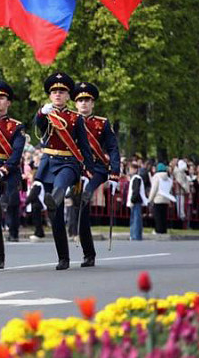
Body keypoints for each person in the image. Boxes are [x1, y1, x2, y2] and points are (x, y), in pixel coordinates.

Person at [28, 72, 93, 271]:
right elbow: (38, 127)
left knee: (59, 188)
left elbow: (84, 146)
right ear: (49, 96)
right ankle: (63, 257)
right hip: (49, 162)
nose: (57, 94)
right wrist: (41, 113)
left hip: (68, 162)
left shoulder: (76, 118)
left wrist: (88, 171)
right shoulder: (46, 114)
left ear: (68, 96)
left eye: (62, 91)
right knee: (54, 213)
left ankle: (88, 253)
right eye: (54, 91)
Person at [72, 81, 120, 268]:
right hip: (77, 168)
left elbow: (113, 148)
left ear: (93, 103)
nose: (84, 103)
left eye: (87, 100)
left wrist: (114, 173)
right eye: (80, 100)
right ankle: (87, 252)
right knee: (79, 209)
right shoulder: (70, 121)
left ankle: (88, 253)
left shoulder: (102, 123)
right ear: (75, 103)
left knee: (84, 197)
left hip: (98, 169)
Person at [0, 82, 26, 247]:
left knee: (12, 200)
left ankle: (13, 232)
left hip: (10, 167)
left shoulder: (16, 126)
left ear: (8, 102)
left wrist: (6, 167)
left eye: (2, 98)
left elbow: (17, 150)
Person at [148, 162, 175, 234]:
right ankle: (163, 230)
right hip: (166, 199)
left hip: (158, 198)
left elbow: (154, 189)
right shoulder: (168, 179)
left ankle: (158, 230)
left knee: (158, 216)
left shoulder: (156, 177)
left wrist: (150, 199)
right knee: (164, 216)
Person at [126, 161, 148, 240]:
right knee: (135, 219)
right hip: (136, 201)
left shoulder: (136, 178)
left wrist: (132, 200)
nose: (130, 170)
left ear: (135, 169)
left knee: (135, 220)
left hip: (136, 202)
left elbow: (135, 190)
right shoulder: (136, 178)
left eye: (131, 169)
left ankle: (135, 236)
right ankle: (135, 235)